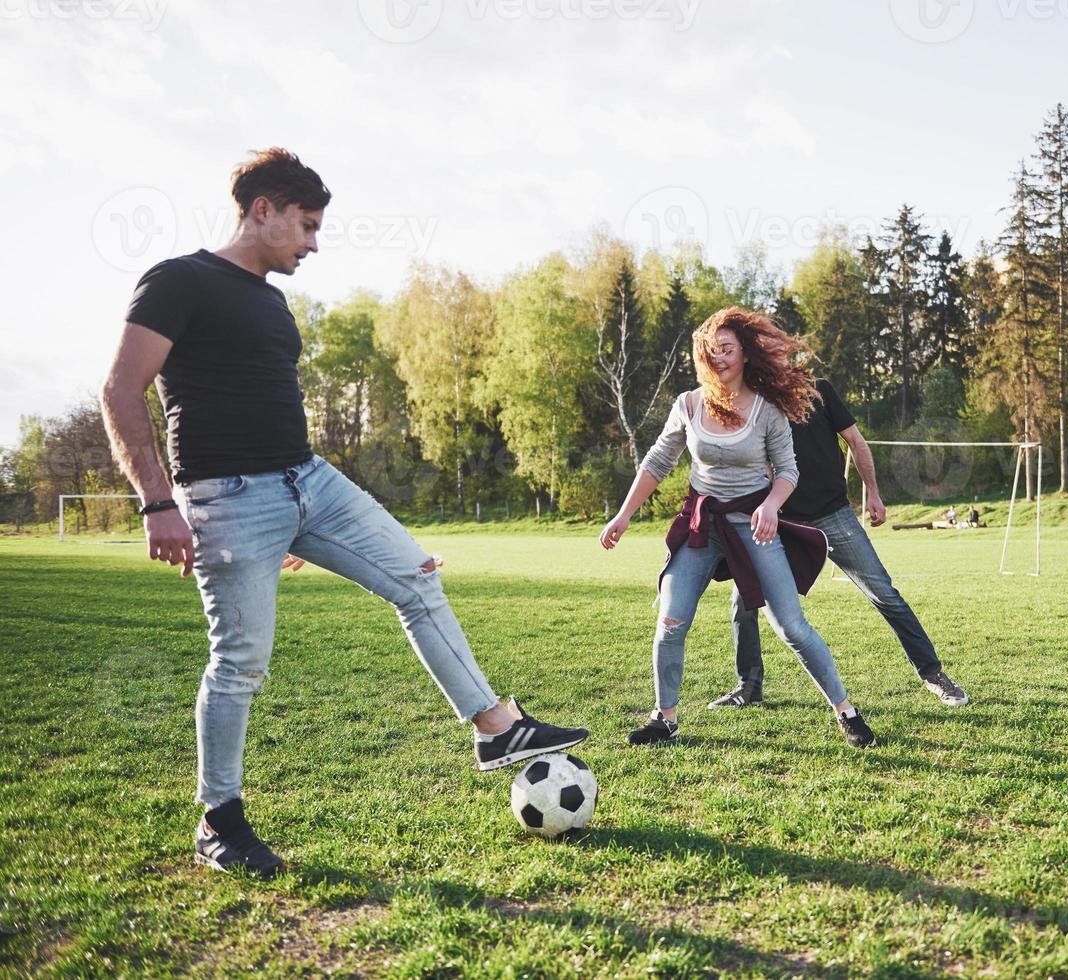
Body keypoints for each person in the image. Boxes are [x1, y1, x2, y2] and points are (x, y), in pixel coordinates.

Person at [99, 148, 588, 878]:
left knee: (417, 578)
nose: (314, 243)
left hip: (311, 484)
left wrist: (299, 522)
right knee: (240, 664)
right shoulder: (178, 280)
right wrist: (157, 502)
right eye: (307, 225)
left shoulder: (270, 297)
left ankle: (497, 729)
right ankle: (219, 822)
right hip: (226, 499)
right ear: (262, 209)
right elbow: (118, 391)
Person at [599, 308, 875, 749]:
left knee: (792, 628)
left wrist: (771, 504)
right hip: (702, 526)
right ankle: (664, 719)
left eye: (726, 349)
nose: (718, 358)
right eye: (710, 351)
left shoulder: (768, 410)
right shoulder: (688, 404)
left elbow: (788, 470)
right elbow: (657, 462)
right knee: (670, 620)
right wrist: (624, 514)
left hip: (755, 528)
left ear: (745, 353)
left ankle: (847, 712)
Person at [710, 378, 969, 710]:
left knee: (885, 595)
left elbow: (856, 442)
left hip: (834, 516)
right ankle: (749, 686)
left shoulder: (818, 390)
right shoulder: (755, 404)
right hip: (783, 522)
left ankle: (933, 674)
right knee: (743, 600)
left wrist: (873, 493)